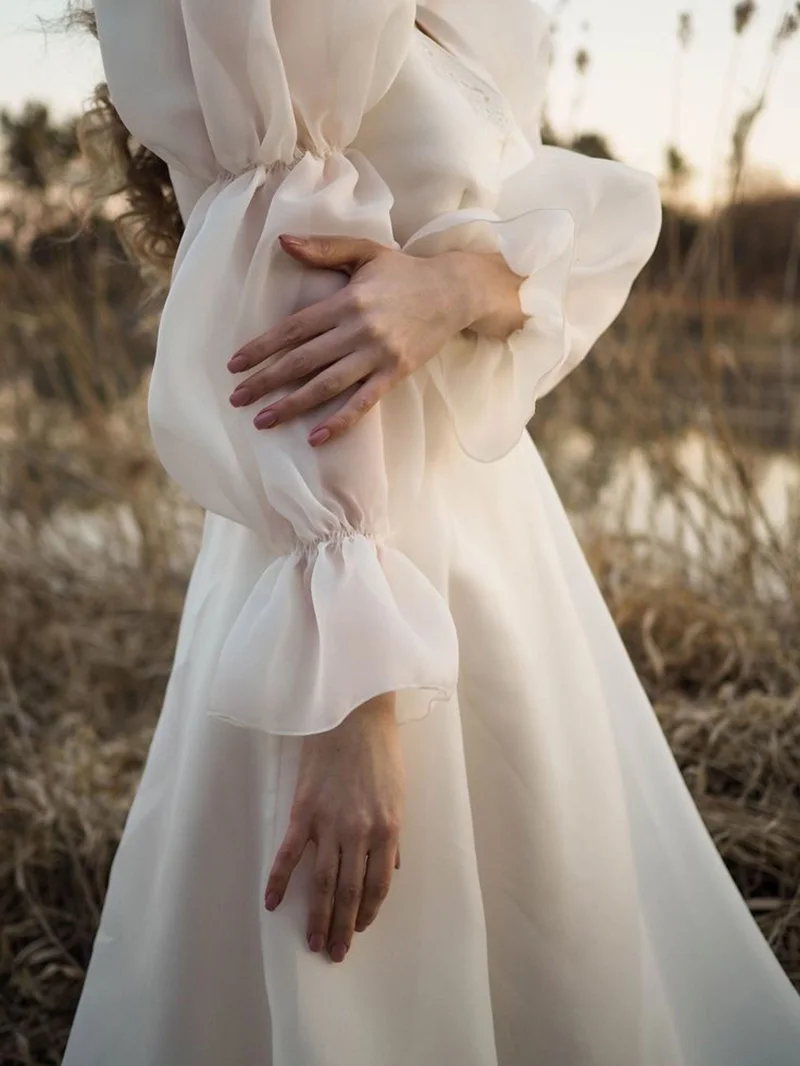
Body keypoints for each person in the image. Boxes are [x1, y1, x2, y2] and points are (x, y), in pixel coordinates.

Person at [62, 2, 800, 1065]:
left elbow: (533, 256)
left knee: (552, 916)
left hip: (501, 547)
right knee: (360, 968)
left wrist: (450, 286)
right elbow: (284, 296)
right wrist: (352, 694)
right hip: (354, 557)